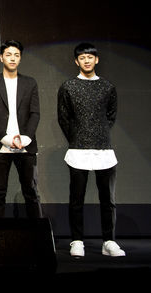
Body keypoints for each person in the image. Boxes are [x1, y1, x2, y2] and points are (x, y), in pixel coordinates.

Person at [57, 43, 125, 257]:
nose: (86, 60)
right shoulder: (68, 87)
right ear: (76, 61)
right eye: (82, 57)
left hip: (104, 150)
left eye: (90, 57)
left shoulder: (107, 87)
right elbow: (63, 118)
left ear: (96, 60)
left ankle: (109, 241)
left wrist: (98, 134)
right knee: (76, 199)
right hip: (78, 150)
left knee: (108, 199)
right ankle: (77, 240)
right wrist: (78, 137)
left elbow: (110, 116)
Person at [0, 40, 42, 219]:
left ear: (20, 58)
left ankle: (35, 233)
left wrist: (25, 138)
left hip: (26, 145)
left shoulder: (30, 83)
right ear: (1, 58)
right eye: (8, 55)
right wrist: (7, 139)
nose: (12, 58)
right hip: (0, 145)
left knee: (31, 191)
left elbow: (35, 113)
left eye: (16, 55)